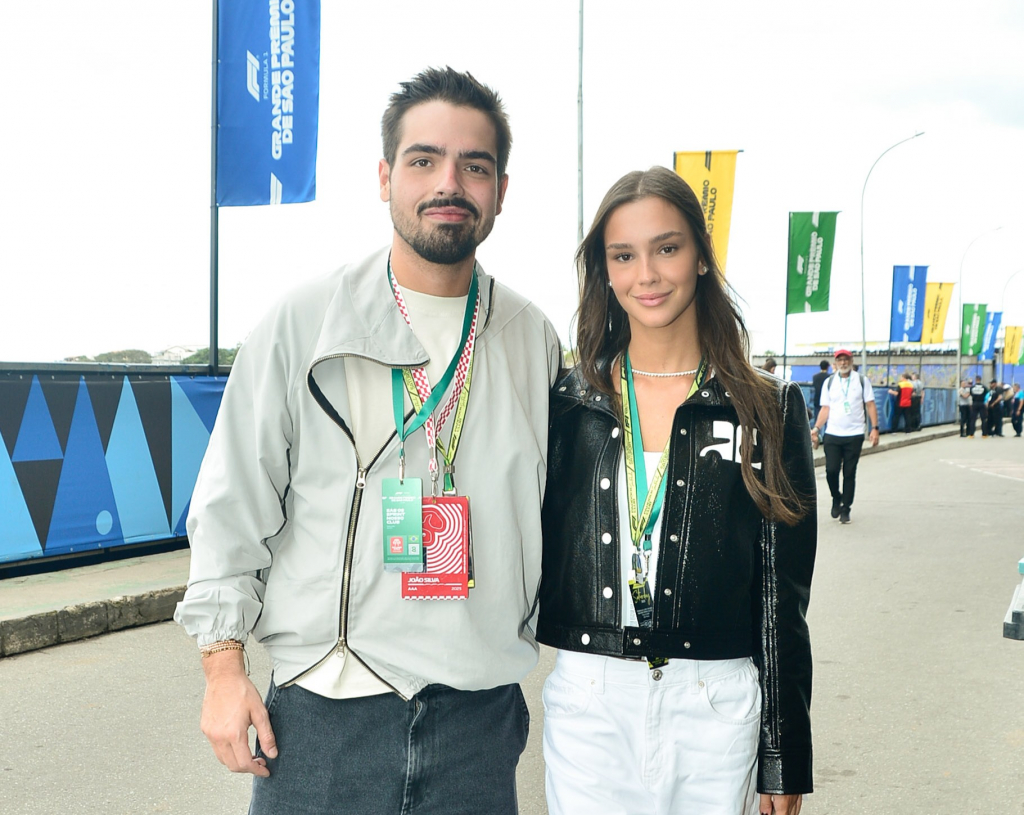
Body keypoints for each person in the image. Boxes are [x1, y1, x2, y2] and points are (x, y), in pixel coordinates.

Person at [173, 67, 561, 815]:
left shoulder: (529, 338)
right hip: (322, 713)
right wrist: (224, 668)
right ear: (385, 177)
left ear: (501, 190)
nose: (448, 182)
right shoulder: (304, 320)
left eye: (474, 165)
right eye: (423, 160)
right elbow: (232, 503)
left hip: (477, 721)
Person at [537, 167, 816, 815]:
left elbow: (782, 599)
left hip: (716, 696)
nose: (648, 274)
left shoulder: (767, 408)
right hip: (590, 694)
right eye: (624, 255)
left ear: (699, 258)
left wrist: (783, 754)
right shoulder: (567, 401)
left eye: (667, 248)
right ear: (604, 270)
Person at [812, 349, 879, 524]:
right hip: (833, 433)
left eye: (846, 359)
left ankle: (846, 508)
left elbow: (870, 404)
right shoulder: (829, 382)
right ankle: (836, 497)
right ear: (835, 363)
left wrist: (874, 428)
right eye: (840, 360)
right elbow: (825, 409)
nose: (843, 363)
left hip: (855, 434)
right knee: (831, 471)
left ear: (851, 361)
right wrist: (817, 428)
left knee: (849, 473)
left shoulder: (862, 381)